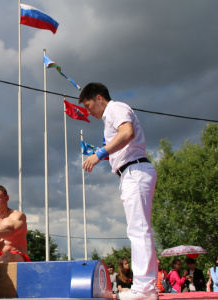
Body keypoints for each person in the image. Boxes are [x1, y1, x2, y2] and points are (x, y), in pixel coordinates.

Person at [79, 83, 158, 299]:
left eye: (88, 106)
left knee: (139, 230)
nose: (89, 112)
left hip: (135, 170)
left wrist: (99, 154)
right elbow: (120, 140)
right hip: (130, 173)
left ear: (99, 98)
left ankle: (146, 289)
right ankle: (145, 286)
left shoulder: (116, 108)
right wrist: (102, 154)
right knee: (138, 229)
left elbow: (127, 132)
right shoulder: (110, 117)